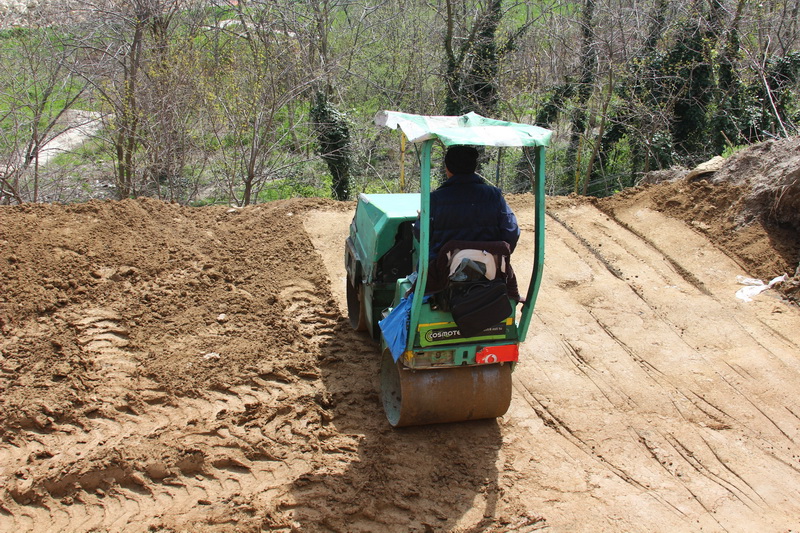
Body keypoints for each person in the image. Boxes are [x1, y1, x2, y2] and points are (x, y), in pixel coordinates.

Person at [413, 145, 521, 299]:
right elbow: (511, 232)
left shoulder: (434, 200)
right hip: (489, 275)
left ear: (447, 168)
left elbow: (422, 236)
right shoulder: (494, 196)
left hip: (442, 279)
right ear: (474, 167)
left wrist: (420, 220)